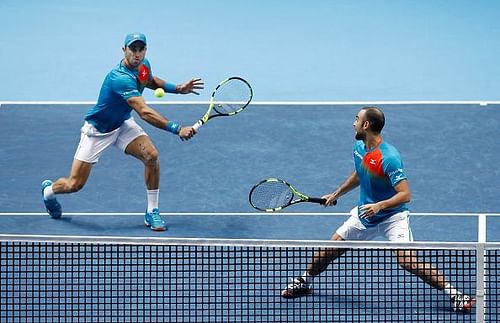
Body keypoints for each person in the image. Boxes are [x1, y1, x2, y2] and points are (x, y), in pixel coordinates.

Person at [281, 107, 476, 313]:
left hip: (392, 216)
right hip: (365, 215)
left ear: (366, 125)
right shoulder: (359, 147)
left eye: (357, 119)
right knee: (330, 249)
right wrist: (336, 193)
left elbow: (405, 194)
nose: (353, 123)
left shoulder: (389, 157)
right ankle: (304, 281)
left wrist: (379, 206)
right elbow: (360, 173)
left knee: (407, 262)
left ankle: (456, 295)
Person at [41, 33, 204, 231]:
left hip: (122, 124)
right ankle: (49, 191)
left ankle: (152, 211)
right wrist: (176, 129)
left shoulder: (143, 66)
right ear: (123, 50)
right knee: (74, 184)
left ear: (145, 50)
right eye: (132, 49)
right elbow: (144, 112)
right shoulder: (119, 78)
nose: (137, 54)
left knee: (151, 156)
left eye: (140, 49)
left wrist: (177, 89)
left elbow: (149, 80)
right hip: (98, 131)